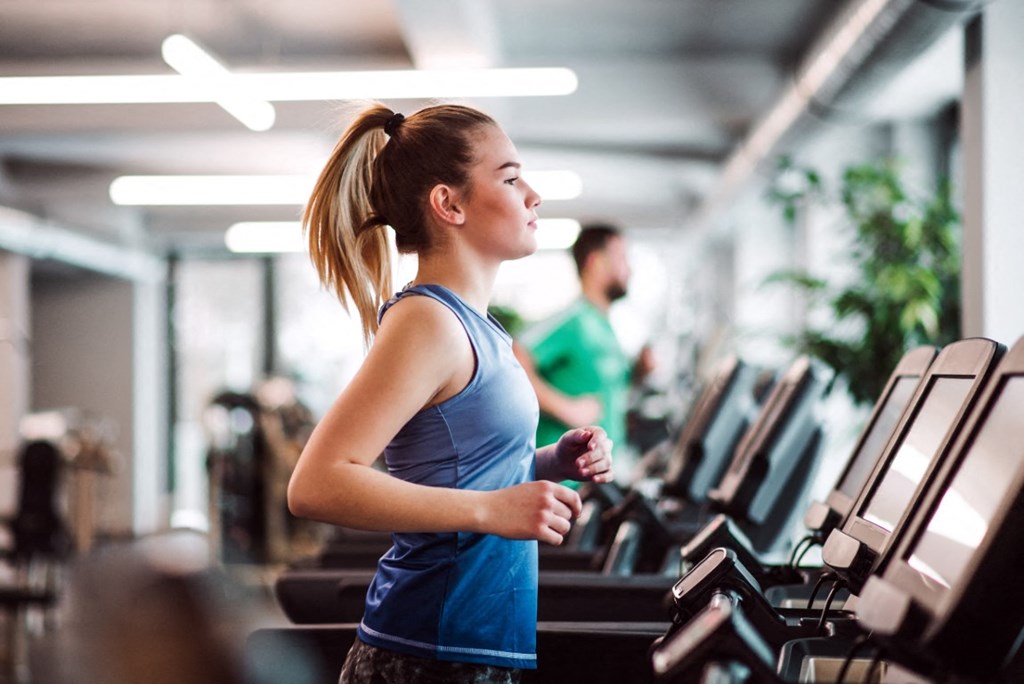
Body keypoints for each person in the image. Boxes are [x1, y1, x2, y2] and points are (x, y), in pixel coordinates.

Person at [286, 102, 614, 684]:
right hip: (426, 651)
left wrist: (550, 462)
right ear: (449, 203)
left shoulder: (476, 327)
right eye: (511, 178)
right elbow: (317, 483)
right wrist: (492, 509)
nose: (532, 194)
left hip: (472, 646)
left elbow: (460, 472)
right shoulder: (428, 323)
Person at [514, 224, 652, 479]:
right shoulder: (573, 320)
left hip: (598, 475)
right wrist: (566, 407)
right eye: (621, 258)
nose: (629, 270)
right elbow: (514, 356)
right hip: (564, 481)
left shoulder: (604, 325)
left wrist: (640, 371)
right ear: (596, 262)